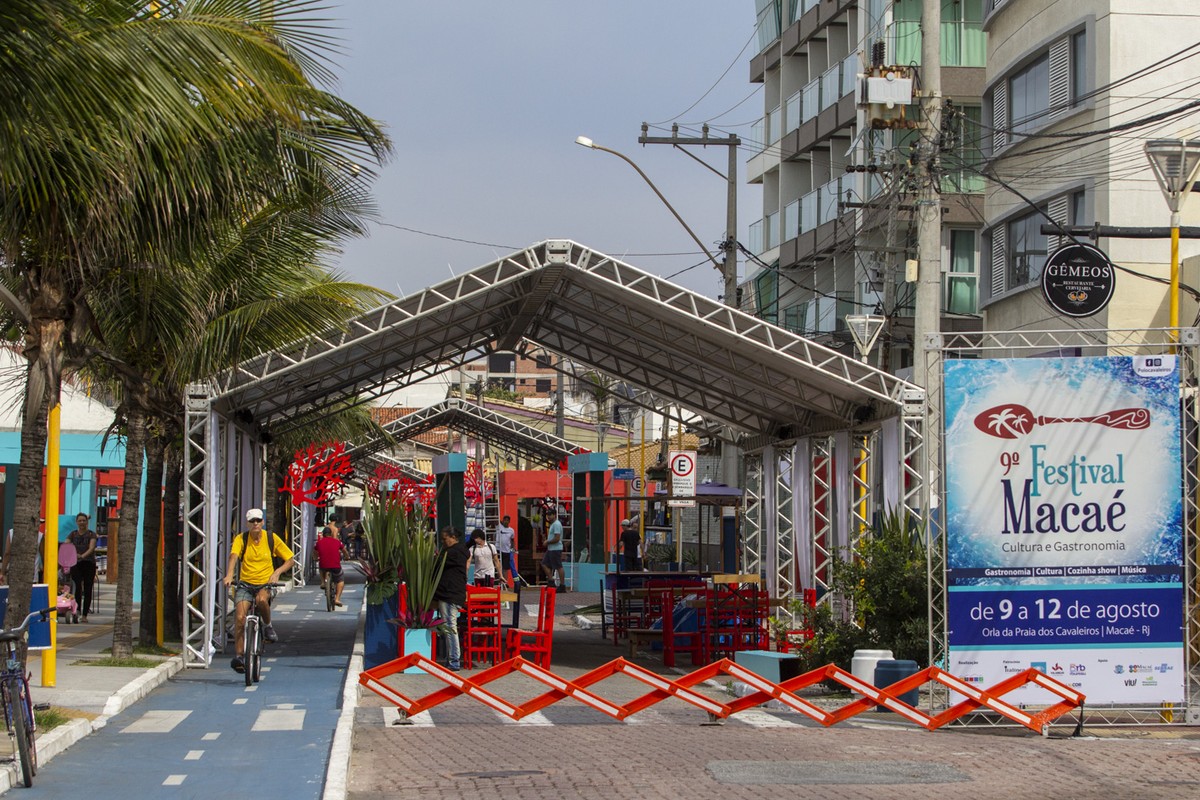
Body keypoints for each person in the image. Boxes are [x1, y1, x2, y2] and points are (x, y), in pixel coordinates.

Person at [223, 508, 295, 674]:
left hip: (265, 584)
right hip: (245, 584)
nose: (255, 523)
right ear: (247, 523)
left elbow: (290, 560)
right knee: (240, 618)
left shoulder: (271, 538)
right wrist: (229, 575)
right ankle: (240, 656)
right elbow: (233, 556)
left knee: (262, 600)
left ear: (262, 522)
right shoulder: (241, 538)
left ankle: (268, 626)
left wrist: (277, 573)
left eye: (258, 520)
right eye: (252, 521)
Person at [433, 526, 469, 672]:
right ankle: (452, 659)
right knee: (450, 626)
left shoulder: (452, 553)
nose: (443, 542)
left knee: (450, 627)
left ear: (452, 537)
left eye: (445, 538)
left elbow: (438, 565)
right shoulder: (461, 552)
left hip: (449, 594)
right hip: (455, 593)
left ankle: (454, 660)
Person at [67, 513, 99, 622]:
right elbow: (67, 544)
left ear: (87, 522)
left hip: (88, 564)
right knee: (77, 588)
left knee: (88, 588)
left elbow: (92, 547)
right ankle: (77, 611)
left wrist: (82, 556)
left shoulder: (91, 534)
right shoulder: (73, 534)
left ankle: (85, 615)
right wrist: (73, 554)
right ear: (76, 522)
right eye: (80, 521)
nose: (82, 523)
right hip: (75, 564)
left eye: (84, 520)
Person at [313, 522, 348, 606]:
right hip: (336, 566)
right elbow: (344, 550)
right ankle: (337, 599)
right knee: (340, 580)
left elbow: (315, 552)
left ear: (323, 534)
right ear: (331, 534)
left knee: (321, 567)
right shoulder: (337, 542)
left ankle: (322, 582)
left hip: (324, 566)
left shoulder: (319, 543)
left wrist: (315, 558)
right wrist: (347, 556)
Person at [540, 509, 565, 590]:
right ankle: (551, 581)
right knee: (544, 564)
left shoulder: (556, 524)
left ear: (554, 515)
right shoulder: (552, 524)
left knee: (558, 566)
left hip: (555, 549)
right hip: (551, 549)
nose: (549, 517)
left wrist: (547, 542)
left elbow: (557, 538)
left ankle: (562, 585)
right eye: (548, 515)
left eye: (550, 515)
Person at [494, 515, 516, 589]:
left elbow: (512, 540)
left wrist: (513, 549)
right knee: (498, 565)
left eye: (507, 520)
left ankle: (505, 582)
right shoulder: (499, 527)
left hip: (506, 551)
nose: (506, 521)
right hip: (498, 549)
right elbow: (496, 519)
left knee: (505, 568)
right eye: (504, 520)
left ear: (509, 521)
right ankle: (498, 582)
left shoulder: (511, 530)